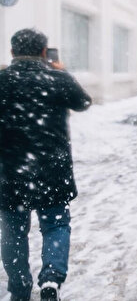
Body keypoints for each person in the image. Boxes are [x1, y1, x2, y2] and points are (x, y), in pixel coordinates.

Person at [0, 28, 92, 301]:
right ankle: (51, 279)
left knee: (13, 230)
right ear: (44, 52)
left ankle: (19, 286)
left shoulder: (2, 80)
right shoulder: (57, 78)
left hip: (10, 170)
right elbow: (84, 102)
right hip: (52, 168)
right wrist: (61, 74)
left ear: (12, 51)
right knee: (55, 225)